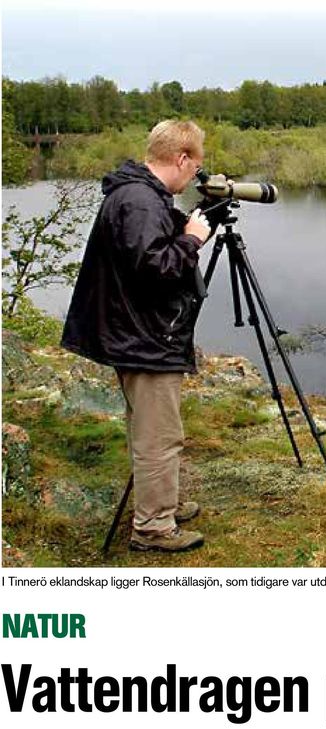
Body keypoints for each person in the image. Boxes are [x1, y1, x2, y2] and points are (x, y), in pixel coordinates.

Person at [62, 119, 214, 553]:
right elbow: (156, 269)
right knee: (158, 436)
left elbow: (145, 254)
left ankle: (160, 502)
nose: (195, 176)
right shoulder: (141, 202)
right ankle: (152, 528)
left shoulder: (138, 195)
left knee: (151, 431)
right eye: (196, 165)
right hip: (143, 338)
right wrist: (192, 241)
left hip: (135, 332)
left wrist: (187, 227)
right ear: (182, 158)